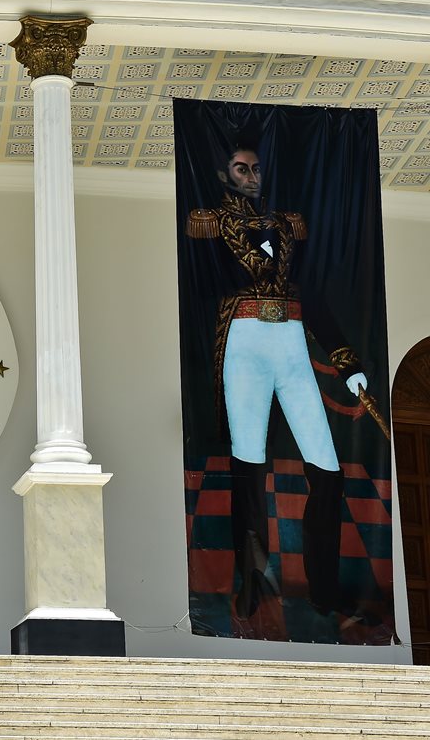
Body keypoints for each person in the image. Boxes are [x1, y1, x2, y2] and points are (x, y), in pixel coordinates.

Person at [187, 141, 367, 618]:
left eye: (256, 167)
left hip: (291, 340)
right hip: (244, 341)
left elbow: (313, 295)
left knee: (327, 472)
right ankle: (251, 584)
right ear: (225, 175)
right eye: (241, 168)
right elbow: (202, 287)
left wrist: (347, 361)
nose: (251, 175)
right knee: (249, 468)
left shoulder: (290, 225)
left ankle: (323, 588)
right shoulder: (210, 225)